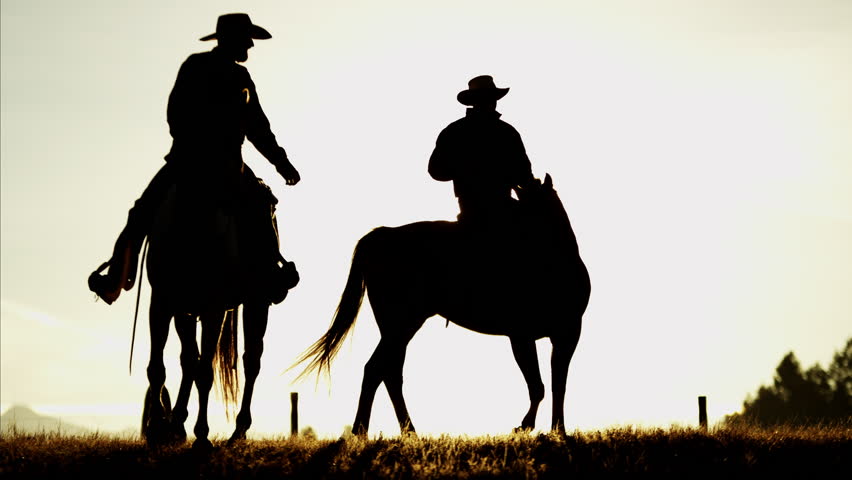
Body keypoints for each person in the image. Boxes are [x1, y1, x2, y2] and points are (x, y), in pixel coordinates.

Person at [89, 13, 300, 305]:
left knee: (141, 213)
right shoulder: (207, 69)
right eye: (246, 39)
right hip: (214, 162)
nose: (250, 46)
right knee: (258, 209)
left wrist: (280, 161)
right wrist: (280, 163)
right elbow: (254, 128)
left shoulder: (225, 73)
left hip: (190, 161)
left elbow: (253, 126)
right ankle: (270, 275)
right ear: (233, 40)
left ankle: (114, 279)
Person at [428, 75, 534, 228]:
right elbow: (524, 176)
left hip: (471, 207)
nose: (491, 102)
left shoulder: (454, 131)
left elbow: (436, 171)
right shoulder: (506, 132)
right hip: (497, 208)